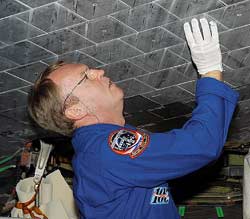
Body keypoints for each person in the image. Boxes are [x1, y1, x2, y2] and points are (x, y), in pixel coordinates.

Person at [28, 18, 239, 219]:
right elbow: (201, 145)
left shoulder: (102, 150)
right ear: (74, 111)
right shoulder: (107, 151)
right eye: (86, 76)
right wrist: (210, 71)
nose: (99, 72)